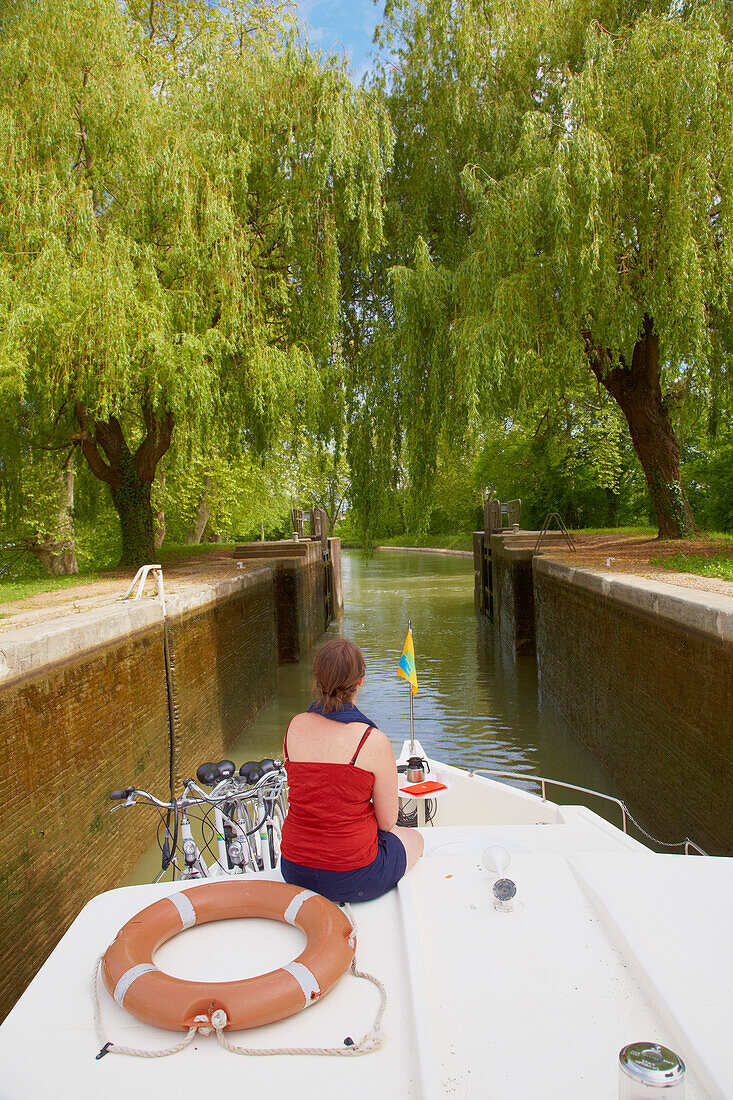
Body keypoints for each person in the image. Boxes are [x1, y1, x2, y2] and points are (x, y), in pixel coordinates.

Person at [279, 636, 423, 903]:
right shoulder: (372, 740)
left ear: (317, 680)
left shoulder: (294, 727)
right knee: (415, 839)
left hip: (294, 869)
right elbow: (387, 822)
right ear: (360, 681)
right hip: (354, 877)